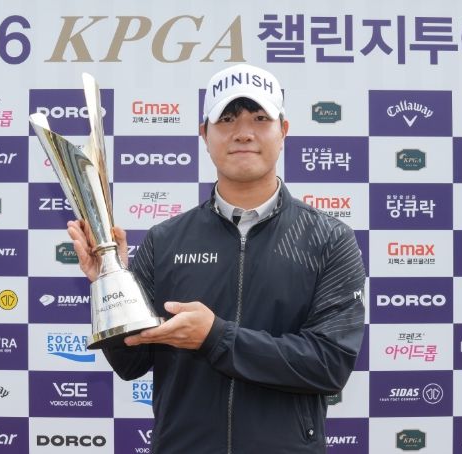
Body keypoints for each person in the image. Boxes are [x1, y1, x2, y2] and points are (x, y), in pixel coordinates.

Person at [67, 63, 366, 453]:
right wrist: (110, 281)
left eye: (260, 118)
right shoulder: (165, 240)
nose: (243, 132)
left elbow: (329, 365)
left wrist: (215, 337)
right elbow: (130, 363)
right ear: (204, 135)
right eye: (226, 119)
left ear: (283, 131)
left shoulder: (328, 239)